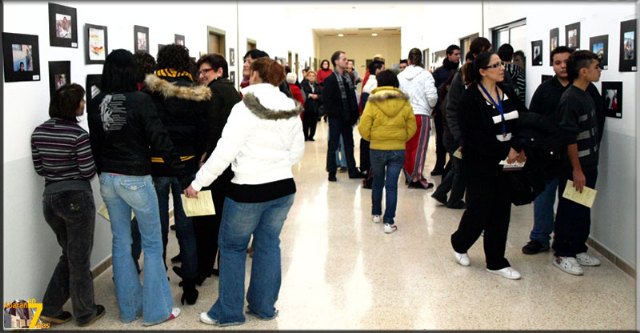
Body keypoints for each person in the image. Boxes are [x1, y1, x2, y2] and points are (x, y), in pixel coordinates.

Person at [185, 57, 304, 327]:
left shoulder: (244, 107)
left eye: (250, 71)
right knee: (268, 244)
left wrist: (198, 183)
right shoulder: (291, 107)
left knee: (232, 247)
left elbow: (224, 152)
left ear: (257, 76)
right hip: (283, 187)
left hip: (248, 189)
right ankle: (263, 308)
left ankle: (228, 313)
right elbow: (297, 152)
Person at [87, 49, 182, 326]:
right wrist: (179, 171)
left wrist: (102, 170)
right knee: (152, 244)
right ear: (132, 72)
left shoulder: (96, 102)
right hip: (136, 179)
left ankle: (128, 312)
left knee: (121, 242)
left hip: (108, 180)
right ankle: (156, 312)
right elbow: (159, 138)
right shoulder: (140, 100)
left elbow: (95, 143)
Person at [31, 83, 105, 327]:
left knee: (70, 256)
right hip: (76, 200)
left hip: (50, 200)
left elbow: (40, 168)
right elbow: (87, 171)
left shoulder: (38, 132)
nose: (84, 104)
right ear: (74, 106)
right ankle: (85, 313)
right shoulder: (78, 135)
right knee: (80, 259)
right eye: (82, 101)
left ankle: (50, 309)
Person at [450, 51, 528, 280]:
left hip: (507, 163)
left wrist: (518, 145)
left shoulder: (509, 91)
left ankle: (496, 261)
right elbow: (474, 137)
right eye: (495, 65)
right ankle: (459, 242)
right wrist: (506, 150)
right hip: (480, 163)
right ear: (483, 71)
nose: (501, 68)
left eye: (501, 64)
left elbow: (522, 120)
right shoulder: (470, 98)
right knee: (479, 210)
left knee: (501, 211)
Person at [144, 44, 211, 305]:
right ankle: (191, 284)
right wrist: (195, 157)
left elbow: (147, 127)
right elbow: (203, 129)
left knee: (158, 227)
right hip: (187, 168)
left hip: (157, 164)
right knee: (187, 227)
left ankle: (159, 279)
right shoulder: (197, 90)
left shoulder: (150, 88)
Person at [552, 50, 603, 276]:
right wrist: (577, 169)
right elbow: (569, 138)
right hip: (576, 167)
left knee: (582, 209)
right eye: (596, 67)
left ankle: (578, 247)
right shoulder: (571, 98)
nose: (599, 70)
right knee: (570, 209)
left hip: (589, 164)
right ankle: (563, 253)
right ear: (584, 71)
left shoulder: (587, 94)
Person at [193, 53, 242, 282]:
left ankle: (202, 268)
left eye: (206, 71)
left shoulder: (213, 92)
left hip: (215, 163)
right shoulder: (232, 91)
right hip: (230, 164)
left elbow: (211, 128)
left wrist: (204, 154)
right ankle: (220, 266)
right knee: (223, 217)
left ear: (219, 71)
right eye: (200, 71)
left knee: (206, 220)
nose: (201, 75)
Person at [358, 70, 416, 234]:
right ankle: (389, 222)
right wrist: (402, 137)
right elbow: (412, 125)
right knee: (392, 186)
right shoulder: (404, 100)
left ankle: (376, 213)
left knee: (377, 182)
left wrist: (372, 138)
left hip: (377, 148)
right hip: (398, 149)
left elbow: (363, 126)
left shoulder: (373, 100)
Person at [397, 48, 438, 189]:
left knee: (406, 146)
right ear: (421, 60)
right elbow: (432, 97)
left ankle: (408, 174)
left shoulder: (400, 76)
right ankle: (416, 177)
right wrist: (430, 107)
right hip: (421, 114)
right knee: (418, 148)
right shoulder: (426, 75)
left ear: (408, 60)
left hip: (404, 114)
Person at [322, 50, 365, 181]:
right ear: (336, 62)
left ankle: (352, 170)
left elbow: (352, 97)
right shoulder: (330, 79)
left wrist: (354, 115)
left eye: (346, 59)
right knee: (333, 145)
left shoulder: (348, 78)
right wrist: (336, 114)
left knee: (349, 144)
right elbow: (327, 101)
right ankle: (331, 172)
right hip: (336, 118)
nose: (346, 61)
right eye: (344, 59)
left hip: (347, 118)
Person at [430, 44, 461, 176]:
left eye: (459, 54)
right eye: (455, 54)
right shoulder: (439, 73)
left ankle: (452, 166)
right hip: (441, 112)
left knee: (455, 139)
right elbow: (434, 92)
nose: (458, 57)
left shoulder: (461, 72)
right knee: (441, 139)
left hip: (455, 112)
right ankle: (439, 165)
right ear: (448, 55)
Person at [300, 69, 321, 141]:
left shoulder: (317, 85)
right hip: (307, 106)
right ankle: (305, 136)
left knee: (313, 123)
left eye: (313, 76)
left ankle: (311, 136)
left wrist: (317, 96)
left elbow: (322, 95)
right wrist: (309, 95)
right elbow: (302, 94)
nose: (312, 77)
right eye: (310, 76)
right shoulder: (303, 85)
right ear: (307, 77)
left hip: (315, 106)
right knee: (306, 123)